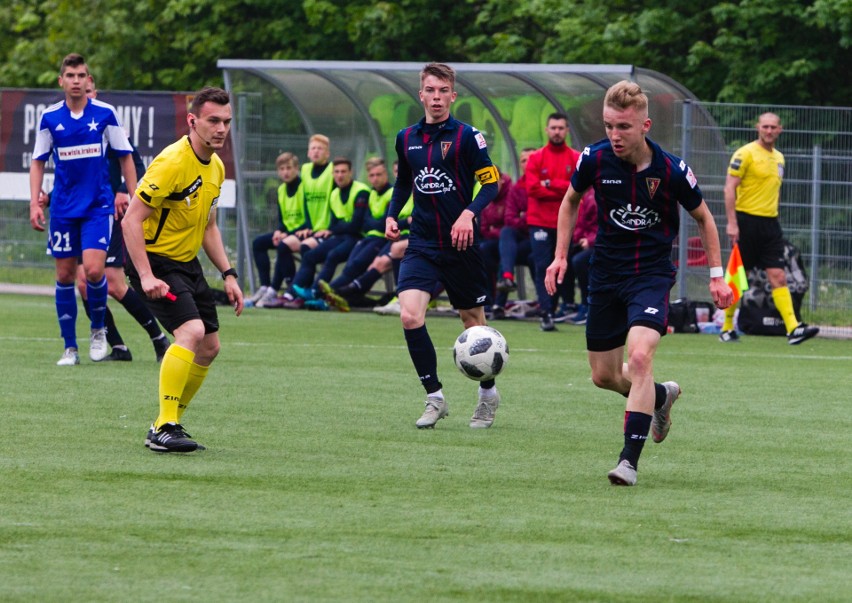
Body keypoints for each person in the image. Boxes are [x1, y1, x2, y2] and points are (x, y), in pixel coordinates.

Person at [545, 81, 733, 486]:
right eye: (610, 125)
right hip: (606, 275)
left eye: (624, 127)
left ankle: (628, 461)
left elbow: (704, 218)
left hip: (650, 276)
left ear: (645, 125)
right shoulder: (593, 159)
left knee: (641, 357)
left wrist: (717, 277)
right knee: (604, 375)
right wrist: (560, 257)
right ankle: (661, 397)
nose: (615, 135)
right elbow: (569, 202)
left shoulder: (671, 170)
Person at [122, 86, 243, 453]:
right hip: (155, 261)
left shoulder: (217, 167)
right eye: (213, 120)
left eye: (226, 122)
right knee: (190, 331)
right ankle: (166, 426)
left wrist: (229, 273)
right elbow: (130, 221)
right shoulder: (172, 161)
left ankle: (165, 423)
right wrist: (145, 276)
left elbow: (208, 226)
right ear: (193, 120)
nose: (221, 128)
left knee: (209, 347)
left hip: (186, 263)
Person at [385, 62, 501, 429]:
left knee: (473, 325)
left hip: (461, 245)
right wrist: (391, 213)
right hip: (421, 242)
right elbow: (405, 182)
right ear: (421, 95)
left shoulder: (469, 137)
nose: (436, 98)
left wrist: (468, 214)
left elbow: (491, 184)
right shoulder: (406, 138)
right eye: (430, 91)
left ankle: (487, 395)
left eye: (443, 91)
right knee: (409, 315)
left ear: (453, 95)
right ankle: (434, 397)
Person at [29, 53, 138, 366]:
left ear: (88, 80)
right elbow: (37, 162)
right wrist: (35, 200)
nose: (76, 81)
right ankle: (69, 348)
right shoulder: (50, 118)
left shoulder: (104, 114)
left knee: (93, 270)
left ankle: (98, 331)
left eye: (82, 76)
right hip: (62, 208)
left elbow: (125, 156)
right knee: (64, 275)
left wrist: (134, 197)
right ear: (61, 80)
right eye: (71, 75)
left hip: (97, 207)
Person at [73, 75, 170, 362]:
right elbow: (74, 175)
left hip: (108, 210)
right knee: (82, 284)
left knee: (113, 283)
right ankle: (117, 346)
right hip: (83, 213)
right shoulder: (71, 126)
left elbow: (135, 162)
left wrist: (121, 191)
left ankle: (159, 338)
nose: (84, 97)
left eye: (89, 91)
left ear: (95, 90)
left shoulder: (106, 121)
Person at [720, 113, 819, 345]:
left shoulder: (779, 158)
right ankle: (726, 327)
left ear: (780, 130)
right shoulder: (744, 153)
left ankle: (793, 328)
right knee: (737, 276)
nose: (769, 131)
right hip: (746, 223)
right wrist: (732, 223)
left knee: (779, 276)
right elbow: (728, 189)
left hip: (770, 225)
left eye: (773, 127)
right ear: (758, 128)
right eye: (765, 126)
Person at [280, 157, 369, 309]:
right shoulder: (334, 194)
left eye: (343, 172)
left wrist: (338, 227)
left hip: (357, 238)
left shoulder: (361, 191)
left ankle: (316, 293)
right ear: (333, 174)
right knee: (309, 255)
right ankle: (295, 294)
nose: (340, 175)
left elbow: (355, 226)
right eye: (337, 172)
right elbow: (334, 224)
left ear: (351, 172)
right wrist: (338, 227)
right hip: (340, 236)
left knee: (333, 256)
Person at [525, 113, 581, 331]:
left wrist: (549, 183)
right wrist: (564, 189)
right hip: (539, 221)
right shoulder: (536, 158)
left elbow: (579, 189)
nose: (557, 131)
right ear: (547, 130)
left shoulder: (575, 158)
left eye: (561, 128)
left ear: (566, 130)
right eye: (553, 128)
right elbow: (533, 189)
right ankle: (546, 312)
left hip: (566, 222)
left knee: (564, 266)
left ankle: (561, 307)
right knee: (542, 266)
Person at [319, 157, 394, 312]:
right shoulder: (371, 194)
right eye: (372, 175)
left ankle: (330, 292)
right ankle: (346, 297)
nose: (375, 178)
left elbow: (383, 224)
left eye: (379, 174)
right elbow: (366, 223)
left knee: (357, 264)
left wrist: (375, 223)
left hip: (382, 239)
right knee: (350, 265)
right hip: (369, 237)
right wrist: (375, 223)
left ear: (386, 175)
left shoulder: (392, 193)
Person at [248, 152, 309, 307]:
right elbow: (283, 219)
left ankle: (284, 289)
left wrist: (286, 234)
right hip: (288, 233)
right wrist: (279, 231)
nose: (285, 172)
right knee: (258, 243)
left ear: (296, 168)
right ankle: (265, 287)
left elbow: (310, 218)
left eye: (289, 168)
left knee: (283, 246)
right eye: (282, 169)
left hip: (303, 232)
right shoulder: (281, 189)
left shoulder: (305, 187)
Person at [494, 147, 536, 319]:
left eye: (531, 159)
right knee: (506, 235)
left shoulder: (543, 186)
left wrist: (525, 217)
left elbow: (543, 218)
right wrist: (526, 217)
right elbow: (510, 219)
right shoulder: (517, 188)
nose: (527, 164)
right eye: (524, 160)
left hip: (541, 239)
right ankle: (505, 282)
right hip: (523, 239)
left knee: (508, 253)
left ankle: (548, 306)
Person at [567, 189, 598, 325]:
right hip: (589, 241)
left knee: (579, 261)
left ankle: (589, 306)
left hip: (602, 244)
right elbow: (582, 222)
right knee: (566, 259)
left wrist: (590, 241)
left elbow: (606, 224)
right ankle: (569, 304)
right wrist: (578, 238)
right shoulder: (586, 193)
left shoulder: (600, 193)